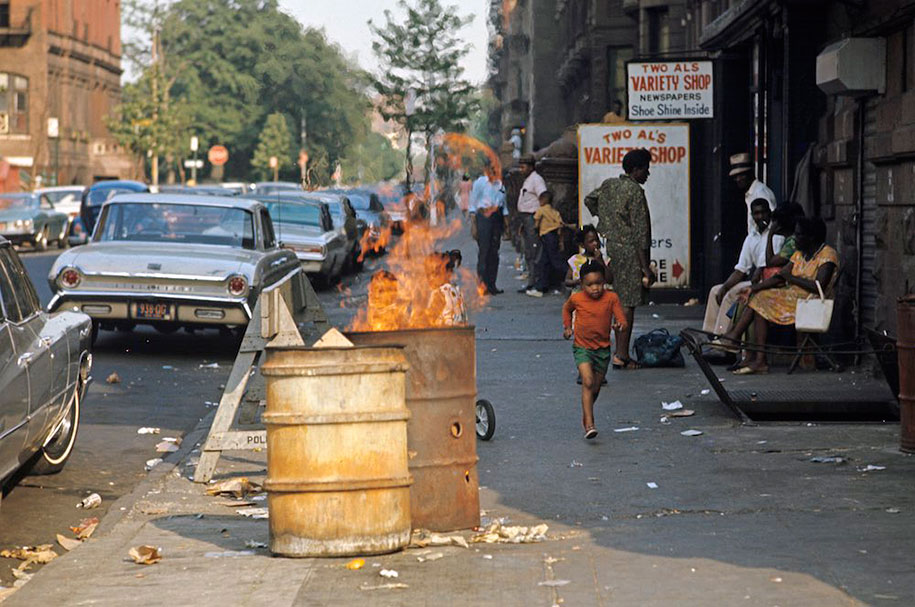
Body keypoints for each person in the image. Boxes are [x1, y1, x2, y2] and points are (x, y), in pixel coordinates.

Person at [721, 217, 839, 374]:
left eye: (798, 235)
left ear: (810, 237)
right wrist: (753, 287)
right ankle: (753, 355)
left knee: (760, 300)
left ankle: (740, 343)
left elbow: (819, 287)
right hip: (793, 299)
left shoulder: (827, 255)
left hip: (811, 303)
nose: (794, 239)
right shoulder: (800, 254)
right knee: (757, 296)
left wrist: (792, 278)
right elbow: (781, 277)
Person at [584, 148, 655, 370]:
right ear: (635, 170)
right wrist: (645, 268)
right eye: (645, 169)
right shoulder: (635, 192)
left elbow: (589, 200)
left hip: (608, 249)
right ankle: (621, 354)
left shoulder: (608, 185)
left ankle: (617, 352)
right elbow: (640, 235)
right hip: (628, 253)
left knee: (614, 301)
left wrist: (606, 218)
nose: (647, 174)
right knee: (627, 305)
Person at [562, 260, 628, 439]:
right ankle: (590, 424)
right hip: (582, 347)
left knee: (595, 388)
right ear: (582, 284)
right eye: (590, 285)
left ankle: (587, 411)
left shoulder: (611, 298)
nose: (595, 288)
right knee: (588, 382)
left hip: (603, 350)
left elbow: (622, 318)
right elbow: (566, 310)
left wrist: (620, 325)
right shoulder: (576, 298)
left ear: (604, 281)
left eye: (599, 283)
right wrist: (568, 327)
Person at [703, 199, 784, 336]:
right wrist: (725, 286)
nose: (760, 217)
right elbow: (741, 269)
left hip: (767, 280)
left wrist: (730, 289)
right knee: (716, 291)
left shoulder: (776, 235)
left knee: (731, 295)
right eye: (757, 213)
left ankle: (723, 339)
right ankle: (710, 334)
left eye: (763, 213)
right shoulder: (751, 237)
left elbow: (766, 266)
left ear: (769, 213)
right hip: (753, 278)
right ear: (752, 216)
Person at [469, 164, 508, 295]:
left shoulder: (500, 184)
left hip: (497, 218)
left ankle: (492, 284)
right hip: (483, 217)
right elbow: (473, 204)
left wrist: (506, 225)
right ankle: (482, 285)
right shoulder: (480, 183)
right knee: (484, 251)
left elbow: (505, 205)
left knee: (494, 252)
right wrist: (474, 225)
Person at [526, 191, 572, 297]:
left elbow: (536, 223)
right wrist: (561, 241)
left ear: (543, 200)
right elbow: (560, 224)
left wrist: (535, 230)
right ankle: (541, 286)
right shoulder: (554, 211)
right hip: (554, 235)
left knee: (554, 260)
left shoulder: (541, 210)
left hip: (546, 236)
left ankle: (571, 273)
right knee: (545, 261)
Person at [515, 155, 548, 292]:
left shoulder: (536, 179)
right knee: (528, 251)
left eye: (523, 167)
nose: (521, 170)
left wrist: (538, 216)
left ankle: (538, 283)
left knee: (536, 251)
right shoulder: (528, 180)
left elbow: (544, 196)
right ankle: (531, 281)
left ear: (531, 167)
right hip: (525, 218)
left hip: (533, 217)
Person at [729, 152, 777, 236]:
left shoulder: (760, 192)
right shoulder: (750, 194)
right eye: (736, 176)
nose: (738, 179)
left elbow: (772, 223)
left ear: (750, 173)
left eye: (741, 175)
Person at [564, 224, 611, 289]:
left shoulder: (605, 259)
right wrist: (577, 282)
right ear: (582, 245)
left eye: (597, 240)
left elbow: (609, 280)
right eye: (591, 241)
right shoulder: (575, 260)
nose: (595, 243)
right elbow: (567, 281)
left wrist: (601, 261)